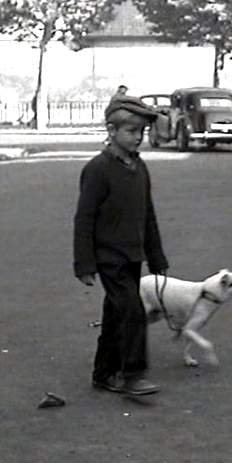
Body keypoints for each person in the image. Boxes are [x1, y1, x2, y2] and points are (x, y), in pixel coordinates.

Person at [73, 95, 169, 396]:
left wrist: (156, 257)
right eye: (131, 132)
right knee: (133, 311)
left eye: (141, 132)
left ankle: (103, 373)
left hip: (133, 254)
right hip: (108, 257)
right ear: (111, 131)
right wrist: (85, 265)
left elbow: (148, 214)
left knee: (116, 315)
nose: (138, 138)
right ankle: (134, 374)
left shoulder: (139, 168)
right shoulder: (97, 169)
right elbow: (84, 219)